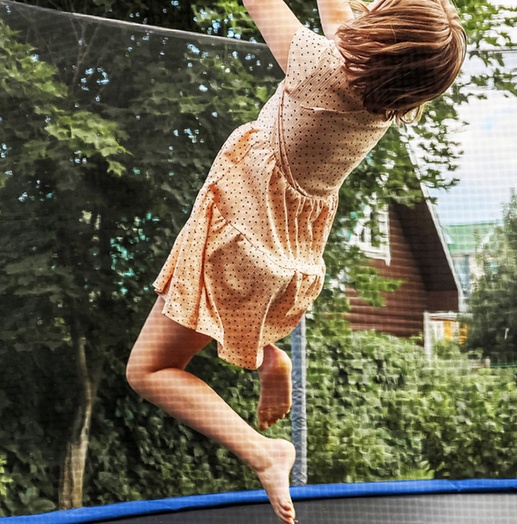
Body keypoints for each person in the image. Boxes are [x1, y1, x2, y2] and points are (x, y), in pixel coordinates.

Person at [125, 0, 466, 522]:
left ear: (380, 34)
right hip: (285, 251)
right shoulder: (388, 101)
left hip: (241, 232)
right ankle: (266, 356)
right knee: (184, 342)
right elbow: (342, 20)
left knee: (149, 369)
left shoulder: (320, 68)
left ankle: (265, 451)